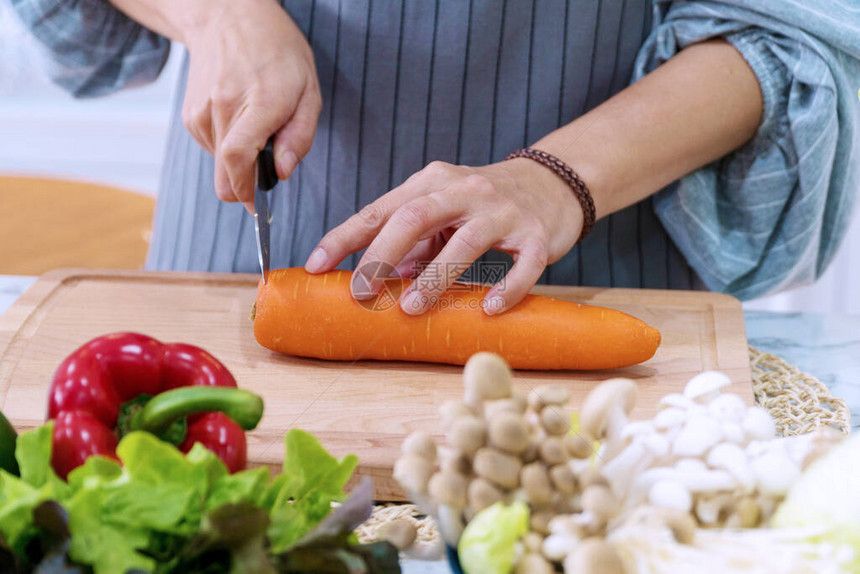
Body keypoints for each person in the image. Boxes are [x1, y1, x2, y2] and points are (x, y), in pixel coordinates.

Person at [11, 0, 860, 316]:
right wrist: (217, 15)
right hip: (236, 269)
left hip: (593, 281)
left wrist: (556, 179)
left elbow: (796, 35)